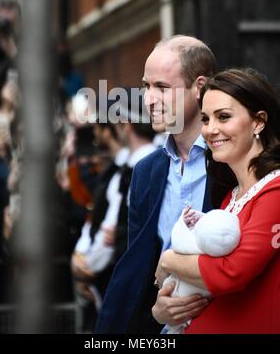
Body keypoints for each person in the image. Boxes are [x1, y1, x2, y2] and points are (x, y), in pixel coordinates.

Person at [95, 35, 217, 334]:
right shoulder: (146, 172)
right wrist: (156, 313)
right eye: (146, 86)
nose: (149, 99)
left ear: (199, 88)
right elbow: (136, 267)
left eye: (162, 88)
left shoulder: (231, 160)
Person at [153, 68, 280, 334]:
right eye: (205, 119)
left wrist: (167, 260)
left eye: (223, 117)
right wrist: (165, 309)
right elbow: (206, 285)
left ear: (259, 122)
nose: (210, 130)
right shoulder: (231, 197)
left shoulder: (276, 190)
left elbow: (231, 273)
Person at [163, 206, 240, 334]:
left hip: (179, 295)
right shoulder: (221, 249)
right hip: (204, 301)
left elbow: (177, 237)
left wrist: (182, 220)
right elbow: (214, 227)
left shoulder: (192, 246)